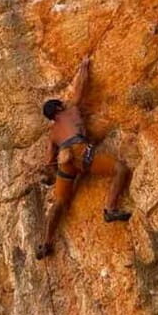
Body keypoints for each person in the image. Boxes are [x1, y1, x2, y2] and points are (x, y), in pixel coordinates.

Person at [37, 56, 131, 260]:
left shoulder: (52, 134)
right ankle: (110, 209)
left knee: (58, 203)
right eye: (61, 103)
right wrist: (84, 65)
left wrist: (53, 174)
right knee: (120, 169)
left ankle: (46, 243)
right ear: (59, 108)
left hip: (66, 163)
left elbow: (49, 162)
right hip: (80, 152)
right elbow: (81, 87)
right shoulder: (71, 110)